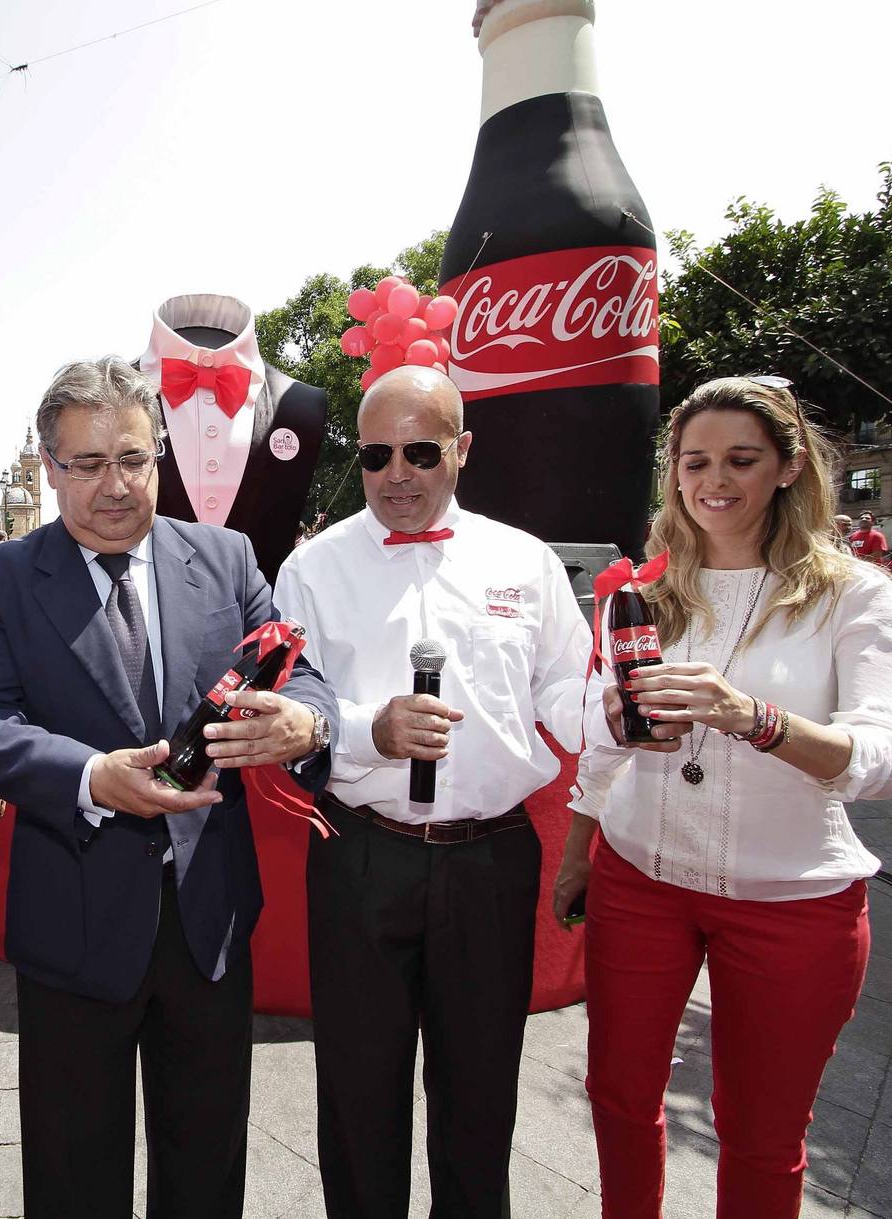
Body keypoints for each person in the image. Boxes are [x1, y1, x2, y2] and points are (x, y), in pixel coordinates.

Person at [0, 357, 338, 1219]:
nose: (115, 485)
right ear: (47, 468)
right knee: (72, 1167)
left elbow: (302, 678)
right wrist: (92, 776)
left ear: (158, 453)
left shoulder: (228, 557)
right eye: (86, 464)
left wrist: (306, 724)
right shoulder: (2, 580)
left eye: (132, 457)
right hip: (74, 918)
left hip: (209, 918)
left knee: (205, 1164)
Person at [556, 376, 892, 1219]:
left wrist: (754, 718)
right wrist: (580, 845)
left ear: (788, 467)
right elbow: (605, 748)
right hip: (640, 880)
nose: (715, 480)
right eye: (695, 461)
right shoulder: (643, 592)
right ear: (674, 473)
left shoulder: (852, 594)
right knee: (618, 1097)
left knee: (760, 1132)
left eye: (742, 459)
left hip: (792, 899)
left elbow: (886, 759)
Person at [273, 366, 592, 1219]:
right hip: (359, 852)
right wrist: (369, 728)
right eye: (377, 455)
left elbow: (563, 690)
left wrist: (619, 706)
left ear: (462, 449)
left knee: (482, 1092)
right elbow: (290, 701)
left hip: (491, 856)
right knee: (357, 1089)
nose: (397, 474)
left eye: (420, 450)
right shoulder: (312, 567)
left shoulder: (524, 561)